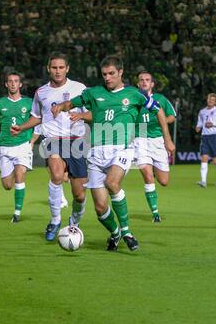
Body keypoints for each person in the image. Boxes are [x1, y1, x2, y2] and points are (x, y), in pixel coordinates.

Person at [51, 55, 175, 252]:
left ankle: (127, 232)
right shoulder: (93, 93)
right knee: (100, 207)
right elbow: (71, 103)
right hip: (96, 154)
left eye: (111, 74)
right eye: (104, 74)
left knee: (112, 183)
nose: (107, 78)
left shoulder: (135, 94)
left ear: (120, 73)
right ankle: (115, 233)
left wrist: (167, 139)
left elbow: (159, 111)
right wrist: (60, 106)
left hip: (122, 150)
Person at [11, 52, 88, 241]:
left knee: (79, 195)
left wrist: (82, 116)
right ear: (48, 69)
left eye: (61, 67)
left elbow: (95, 114)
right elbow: (37, 117)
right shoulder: (41, 92)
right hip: (52, 139)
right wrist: (22, 127)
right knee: (56, 174)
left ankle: (74, 222)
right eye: (54, 67)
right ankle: (54, 221)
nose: (58, 71)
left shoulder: (80, 88)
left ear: (67, 69)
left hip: (76, 141)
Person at [0, 71, 33, 223]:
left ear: (20, 84)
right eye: (10, 81)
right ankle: (12, 180)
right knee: (7, 185)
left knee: (20, 174)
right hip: (4, 147)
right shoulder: (0, 103)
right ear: (6, 84)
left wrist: (34, 137)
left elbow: (37, 119)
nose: (13, 83)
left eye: (16, 81)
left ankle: (17, 213)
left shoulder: (29, 103)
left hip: (23, 145)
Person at [133, 71, 177, 223]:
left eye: (147, 80)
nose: (144, 82)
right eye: (141, 80)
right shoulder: (134, 100)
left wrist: (161, 120)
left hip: (157, 140)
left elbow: (172, 116)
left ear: (152, 84)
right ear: (138, 84)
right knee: (147, 175)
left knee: (164, 181)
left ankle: (153, 167)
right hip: (140, 139)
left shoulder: (160, 99)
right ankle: (155, 213)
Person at [30, 126, 69, 209]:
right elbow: (37, 131)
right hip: (48, 145)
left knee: (65, 178)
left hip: (62, 144)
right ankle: (61, 200)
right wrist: (32, 142)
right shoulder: (43, 116)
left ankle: (77, 181)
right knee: (53, 174)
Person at [195, 93, 216, 188]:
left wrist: (213, 124)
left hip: (215, 137)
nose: (210, 101)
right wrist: (198, 126)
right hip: (205, 137)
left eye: (212, 100)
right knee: (204, 158)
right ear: (207, 99)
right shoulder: (202, 111)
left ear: (215, 102)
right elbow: (200, 122)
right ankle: (203, 181)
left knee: (215, 160)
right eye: (209, 99)